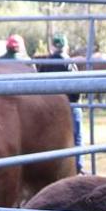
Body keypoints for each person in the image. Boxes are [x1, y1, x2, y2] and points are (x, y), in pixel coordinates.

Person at [37, 33, 83, 173]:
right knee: (76, 138)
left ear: (52, 47)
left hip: (50, 108)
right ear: (66, 46)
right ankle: (77, 167)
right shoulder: (69, 63)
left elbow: (38, 85)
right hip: (71, 106)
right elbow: (78, 89)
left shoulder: (46, 63)